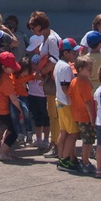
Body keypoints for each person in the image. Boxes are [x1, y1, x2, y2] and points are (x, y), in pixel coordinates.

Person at [28, 10, 62, 154]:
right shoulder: (47, 37)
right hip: (49, 79)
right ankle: (55, 143)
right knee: (52, 113)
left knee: (54, 114)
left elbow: (54, 60)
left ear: (40, 25)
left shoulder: (52, 39)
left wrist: (41, 73)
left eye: (33, 27)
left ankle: (56, 144)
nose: (32, 30)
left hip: (52, 80)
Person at [0, 51, 24, 162]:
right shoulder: (5, 79)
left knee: (9, 127)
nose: (13, 70)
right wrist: (21, 111)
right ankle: (2, 153)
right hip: (2, 109)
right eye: (11, 67)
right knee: (14, 132)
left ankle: (4, 150)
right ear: (4, 67)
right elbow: (13, 99)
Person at [53, 38, 79, 171]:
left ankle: (63, 157)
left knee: (63, 132)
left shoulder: (58, 64)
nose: (76, 54)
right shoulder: (66, 67)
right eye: (73, 52)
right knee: (73, 133)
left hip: (59, 102)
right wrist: (74, 101)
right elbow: (65, 88)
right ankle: (64, 160)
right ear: (66, 53)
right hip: (66, 103)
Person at [69, 56, 97, 174]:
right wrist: (92, 118)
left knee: (84, 139)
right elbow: (88, 102)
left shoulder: (74, 81)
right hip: (85, 116)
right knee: (88, 140)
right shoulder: (84, 83)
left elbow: (69, 96)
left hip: (77, 114)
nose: (90, 70)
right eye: (88, 68)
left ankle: (80, 159)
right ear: (80, 69)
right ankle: (85, 162)